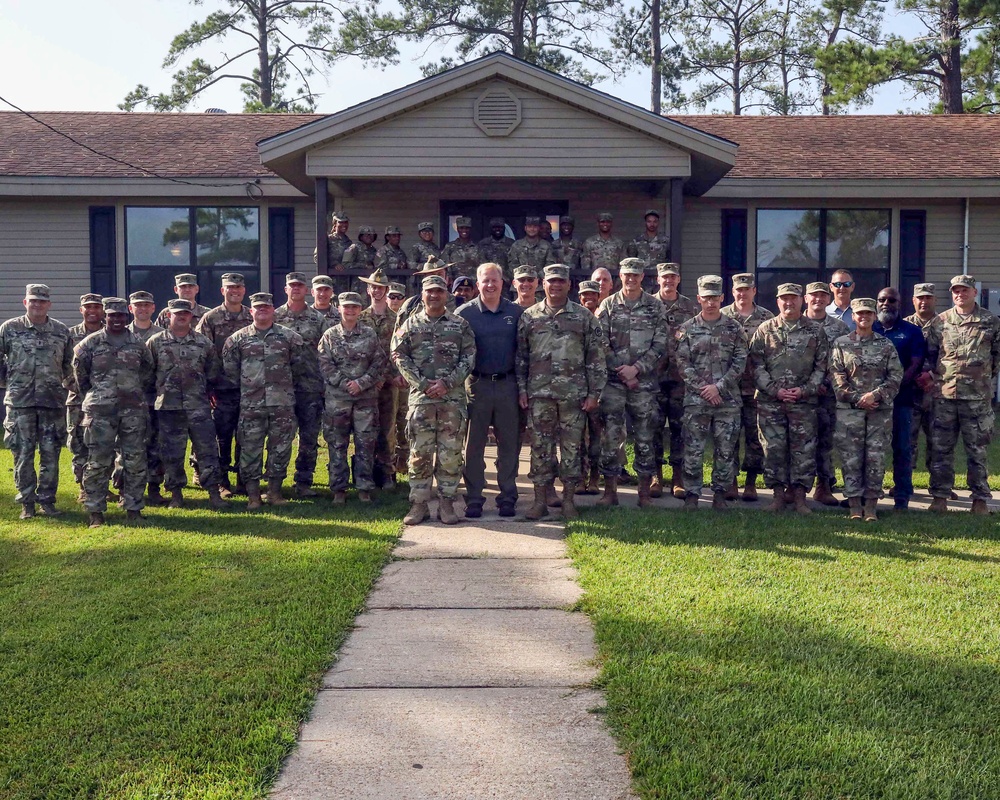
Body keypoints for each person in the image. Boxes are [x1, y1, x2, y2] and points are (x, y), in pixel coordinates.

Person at [517, 263, 607, 520]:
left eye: (560, 281)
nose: (555, 285)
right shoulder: (530, 316)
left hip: (573, 396)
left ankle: (568, 501)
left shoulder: (583, 317)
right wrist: (522, 390)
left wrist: (593, 394)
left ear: (569, 285)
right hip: (539, 394)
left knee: (571, 450)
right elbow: (521, 357)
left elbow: (596, 358)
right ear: (543, 284)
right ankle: (539, 501)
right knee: (540, 449)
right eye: (551, 281)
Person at [391, 274, 476, 526]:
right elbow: (397, 354)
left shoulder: (460, 325)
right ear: (423, 294)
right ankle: (419, 505)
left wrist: (447, 383)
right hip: (421, 400)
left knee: (450, 454)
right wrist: (423, 384)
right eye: (430, 291)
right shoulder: (410, 324)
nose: (434, 295)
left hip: (452, 400)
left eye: (439, 291)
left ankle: (447, 504)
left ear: (446, 294)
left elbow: (469, 356)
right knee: (419, 453)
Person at [73, 297, 155, 528]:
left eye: (121, 316)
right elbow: (80, 376)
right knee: (98, 462)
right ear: (104, 317)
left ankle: (133, 508)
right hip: (100, 411)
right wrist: (100, 394)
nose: (116, 319)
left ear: (126, 318)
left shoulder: (138, 344)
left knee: (135, 460)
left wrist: (133, 392)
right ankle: (95, 512)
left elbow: (148, 373)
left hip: (133, 411)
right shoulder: (90, 344)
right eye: (112, 315)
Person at [748, 283, 829, 514]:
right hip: (771, 403)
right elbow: (756, 365)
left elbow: (822, 367)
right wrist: (774, 390)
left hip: (804, 403)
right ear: (777, 301)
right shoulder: (765, 330)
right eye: (784, 298)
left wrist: (805, 390)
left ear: (802, 300)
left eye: (793, 298)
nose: (788, 303)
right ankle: (777, 496)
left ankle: (801, 498)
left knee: (803, 450)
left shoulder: (815, 331)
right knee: (773, 449)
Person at [595, 258, 669, 507]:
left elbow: (660, 344)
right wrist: (622, 371)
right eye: (627, 274)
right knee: (611, 438)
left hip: (644, 385)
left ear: (642, 277)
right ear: (620, 275)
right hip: (614, 384)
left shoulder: (655, 307)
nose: (631, 279)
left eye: (635, 275)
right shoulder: (607, 305)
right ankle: (610, 492)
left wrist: (636, 369)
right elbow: (600, 342)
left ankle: (644, 493)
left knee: (646, 438)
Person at [924, 274, 1000, 514]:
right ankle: (940, 497)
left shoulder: (990, 321)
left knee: (976, 449)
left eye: (965, 290)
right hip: (945, 396)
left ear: (974, 292)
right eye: (956, 290)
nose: (960, 294)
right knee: (941, 449)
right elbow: (930, 354)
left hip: (977, 399)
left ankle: (979, 499)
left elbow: (996, 355)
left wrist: (980, 376)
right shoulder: (941, 321)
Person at [222, 292, 306, 510]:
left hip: (282, 403)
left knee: (280, 449)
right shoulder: (237, 340)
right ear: (251, 311)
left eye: (266, 308)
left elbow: (300, 368)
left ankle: (274, 492)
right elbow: (230, 372)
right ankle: (253, 496)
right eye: (258, 308)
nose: (262, 311)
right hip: (251, 405)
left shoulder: (289, 338)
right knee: (250, 449)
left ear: (273, 311)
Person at [0, 284, 73, 519]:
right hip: (20, 403)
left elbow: (69, 366)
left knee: (51, 455)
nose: (37, 305)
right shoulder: (9, 329)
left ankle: (47, 501)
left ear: (49, 304)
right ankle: (27, 503)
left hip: (51, 402)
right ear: (25, 303)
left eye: (42, 301)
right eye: (33, 301)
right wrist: (11, 384)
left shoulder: (61, 331)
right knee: (23, 454)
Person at [674, 275, 747, 510]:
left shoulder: (734, 328)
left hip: (727, 400)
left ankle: (720, 495)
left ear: (722, 298)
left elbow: (740, 362)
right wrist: (704, 389)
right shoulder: (686, 329)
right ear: (698, 299)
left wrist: (719, 387)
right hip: (696, 401)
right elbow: (683, 364)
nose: (711, 302)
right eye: (706, 298)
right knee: (693, 449)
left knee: (725, 450)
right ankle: (693, 494)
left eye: (715, 298)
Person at [147, 298, 226, 511]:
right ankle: (176, 494)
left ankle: (213, 492)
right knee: (172, 452)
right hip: (169, 408)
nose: (181, 316)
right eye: (177, 313)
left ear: (191, 316)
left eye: (185, 313)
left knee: (207, 450)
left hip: (198, 405)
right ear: (168, 315)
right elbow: (147, 374)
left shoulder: (203, 343)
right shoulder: (155, 342)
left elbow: (213, 372)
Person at [458, 263, 524, 518]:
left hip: (508, 385)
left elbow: (524, 351)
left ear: (502, 283)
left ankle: (507, 496)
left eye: (494, 280)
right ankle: (474, 497)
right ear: (477, 284)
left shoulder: (516, 312)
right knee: (474, 445)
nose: (490, 285)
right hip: (477, 385)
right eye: (485, 281)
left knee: (509, 444)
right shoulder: (465, 313)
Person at [830, 298, 903, 521]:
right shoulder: (841, 344)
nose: (864, 317)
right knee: (850, 458)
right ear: (853, 316)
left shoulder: (886, 345)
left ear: (874, 316)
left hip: (878, 412)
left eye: (868, 314)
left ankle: (870, 506)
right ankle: (853, 505)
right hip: (849, 412)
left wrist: (875, 395)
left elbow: (895, 376)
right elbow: (836, 376)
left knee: (875, 458)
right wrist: (857, 398)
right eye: (859, 313)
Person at [318, 292, 386, 505]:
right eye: (346, 307)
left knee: (365, 444)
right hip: (337, 400)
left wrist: (362, 383)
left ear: (360, 310)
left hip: (365, 399)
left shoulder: (369, 334)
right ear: (339, 308)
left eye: (354, 307)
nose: (350, 311)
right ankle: (339, 489)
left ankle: (364, 488)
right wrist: (345, 384)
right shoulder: (329, 335)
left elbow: (379, 362)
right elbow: (324, 363)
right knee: (337, 444)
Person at [274, 272, 334, 498]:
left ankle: (304, 481)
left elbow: (327, 352)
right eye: (292, 286)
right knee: (281, 437)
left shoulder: (318, 320)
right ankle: (276, 483)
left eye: (300, 285)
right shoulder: (275, 316)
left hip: (310, 387)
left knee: (309, 437)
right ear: (286, 289)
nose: (296, 289)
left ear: (306, 290)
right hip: (281, 388)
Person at [196, 272, 252, 496]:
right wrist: (209, 386)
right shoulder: (211, 318)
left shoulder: (252, 316)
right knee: (222, 436)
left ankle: (244, 479)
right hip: (222, 390)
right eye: (230, 288)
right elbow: (204, 353)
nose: (235, 291)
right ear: (223, 291)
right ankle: (221, 481)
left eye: (238, 287)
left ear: (244, 291)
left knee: (247, 435)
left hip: (250, 388)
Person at [721, 273, 773, 501]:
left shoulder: (766, 318)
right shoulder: (722, 316)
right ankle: (731, 481)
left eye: (747, 289)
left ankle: (750, 482)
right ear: (733, 292)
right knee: (729, 436)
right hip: (729, 388)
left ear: (754, 291)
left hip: (755, 389)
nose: (742, 293)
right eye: (738, 290)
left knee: (754, 437)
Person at [873, 287, 925, 510]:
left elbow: (916, 363)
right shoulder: (869, 327)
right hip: (871, 400)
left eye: (891, 300)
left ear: (899, 303)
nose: (886, 303)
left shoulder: (912, 331)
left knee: (902, 447)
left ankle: (902, 495)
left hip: (900, 398)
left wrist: (893, 386)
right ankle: (866, 493)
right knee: (870, 448)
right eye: (882, 300)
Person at [803, 281, 850, 506]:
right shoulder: (794, 323)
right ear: (806, 298)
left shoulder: (839, 328)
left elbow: (845, 361)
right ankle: (796, 487)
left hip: (829, 394)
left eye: (822, 296)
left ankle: (823, 486)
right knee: (798, 442)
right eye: (814, 296)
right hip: (800, 395)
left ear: (828, 299)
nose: (818, 299)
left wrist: (828, 382)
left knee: (825, 440)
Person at [653, 262, 697, 499]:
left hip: (681, 378)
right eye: (664, 277)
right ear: (658, 279)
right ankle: (656, 475)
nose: (668, 281)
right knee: (654, 427)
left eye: (673, 277)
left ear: (678, 279)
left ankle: (678, 476)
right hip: (654, 377)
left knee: (680, 428)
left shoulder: (690, 307)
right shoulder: (648, 304)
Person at [359, 268, 404, 488]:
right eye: (373, 287)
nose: (377, 291)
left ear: (386, 291)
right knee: (365, 429)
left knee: (388, 428)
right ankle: (365, 473)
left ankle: (387, 473)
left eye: (381, 288)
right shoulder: (360, 318)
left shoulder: (396, 319)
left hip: (389, 383)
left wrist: (386, 376)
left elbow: (398, 352)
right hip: (365, 384)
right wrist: (370, 378)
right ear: (368, 290)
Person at [123, 290, 165, 504]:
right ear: (131, 309)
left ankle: (154, 488)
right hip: (126, 401)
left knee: (155, 444)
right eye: (138, 305)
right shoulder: (120, 333)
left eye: (146, 305)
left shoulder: (162, 335)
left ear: (153, 308)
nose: (142, 309)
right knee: (127, 447)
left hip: (153, 399)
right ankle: (124, 489)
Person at [66, 293, 105, 497]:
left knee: (103, 444)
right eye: (88, 307)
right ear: (81, 310)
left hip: (105, 400)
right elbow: (63, 367)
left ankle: (102, 487)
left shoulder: (110, 334)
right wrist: (81, 388)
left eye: (97, 307)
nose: (92, 311)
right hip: (77, 400)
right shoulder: (69, 335)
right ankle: (83, 487)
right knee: (79, 444)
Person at [905, 283, 937, 479]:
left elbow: (951, 356)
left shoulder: (946, 324)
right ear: (913, 300)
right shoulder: (904, 325)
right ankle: (904, 482)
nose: (924, 301)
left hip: (937, 391)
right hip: (910, 391)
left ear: (935, 300)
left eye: (928, 298)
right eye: (920, 298)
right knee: (908, 439)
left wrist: (932, 375)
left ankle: (939, 484)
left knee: (939, 441)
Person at [576, 280, 603, 493]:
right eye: (585, 295)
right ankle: (579, 477)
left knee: (597, 436)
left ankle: (595, 477)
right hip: (576, 386)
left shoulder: (606, 318)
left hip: (600, 386)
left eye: (593, 294)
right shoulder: (575, 318)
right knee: (576, 437)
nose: (589, 298)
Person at [395, 256, 457, 328]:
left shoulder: (459, 303)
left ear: (447, 278)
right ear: (424, 279)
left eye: (440, 274)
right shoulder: (411, 305)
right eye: (431, 275)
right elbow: (399, 334)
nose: (436, 279)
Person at [441, 217, 482, 281]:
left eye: (467, 228)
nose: (464, 230)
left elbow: (482, 266)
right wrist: (449, 278)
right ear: (457, 229)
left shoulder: (478, 247)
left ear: (470, 229)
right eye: (461, 228)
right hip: (455, 282)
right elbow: (445, 265)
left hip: (473, 283)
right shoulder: (450, 247)